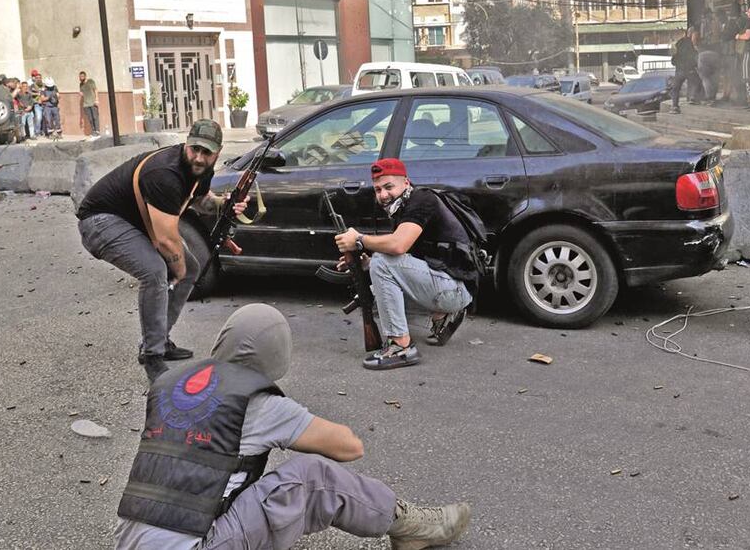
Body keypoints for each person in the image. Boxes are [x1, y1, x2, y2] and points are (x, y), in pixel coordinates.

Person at [113, 303, 472, 550]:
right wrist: (288, 424)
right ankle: (412, 525)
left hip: (127, 540)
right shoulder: (258, 404)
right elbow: (349, 447)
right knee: (311, 477)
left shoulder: (169, 384)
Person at [76, 119, 250, 381]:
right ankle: (152, 356)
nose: (199, 158)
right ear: (186, 144)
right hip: (100, 222)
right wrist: (176, 269)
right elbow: (166, 240)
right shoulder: (164, 174)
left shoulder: (202, 170)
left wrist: (224, 204)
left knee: (191, 268)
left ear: (218, 151)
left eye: (207, 152)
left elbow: (200, 201)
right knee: (156, 271)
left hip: (132, 223)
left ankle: (159, 338)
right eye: (195, 149)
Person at [333, 158, 475, 371]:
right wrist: (366, 264)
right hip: (447, 281)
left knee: (382, 260)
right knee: (374, 291)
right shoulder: (402, 206)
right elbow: (407, 259)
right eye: (378, 189)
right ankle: (441, 315)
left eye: (389, 187)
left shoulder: (422, 200)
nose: (383, 195)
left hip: (454, 288)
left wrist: (359, 240)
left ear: (406, 183)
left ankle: (401, 346)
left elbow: (398, 246)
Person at [669, 27, 702, 114]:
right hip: (688, 69)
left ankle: (674, 106)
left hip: (679, 69)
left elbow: (674, 57)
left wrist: (677, 63)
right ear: (691, 34)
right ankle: (693, 98)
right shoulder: (690, 44)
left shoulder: (678, 43)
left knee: (676, 88)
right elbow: (694, 56)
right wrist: (694, 65)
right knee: (698, 82)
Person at [79, 70, 101, 137]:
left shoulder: (90, 81)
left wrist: (97, 99)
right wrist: (81, 94)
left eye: (82, 76)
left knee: (95, 117)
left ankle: (97, 131)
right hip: (86, 104)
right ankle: (93, 131)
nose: (81, 77)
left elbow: (95, 90)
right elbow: (82, 93)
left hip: (93, 102)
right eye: (80, 77)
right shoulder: (81, 84)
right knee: (90, 119)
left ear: (85, 76)